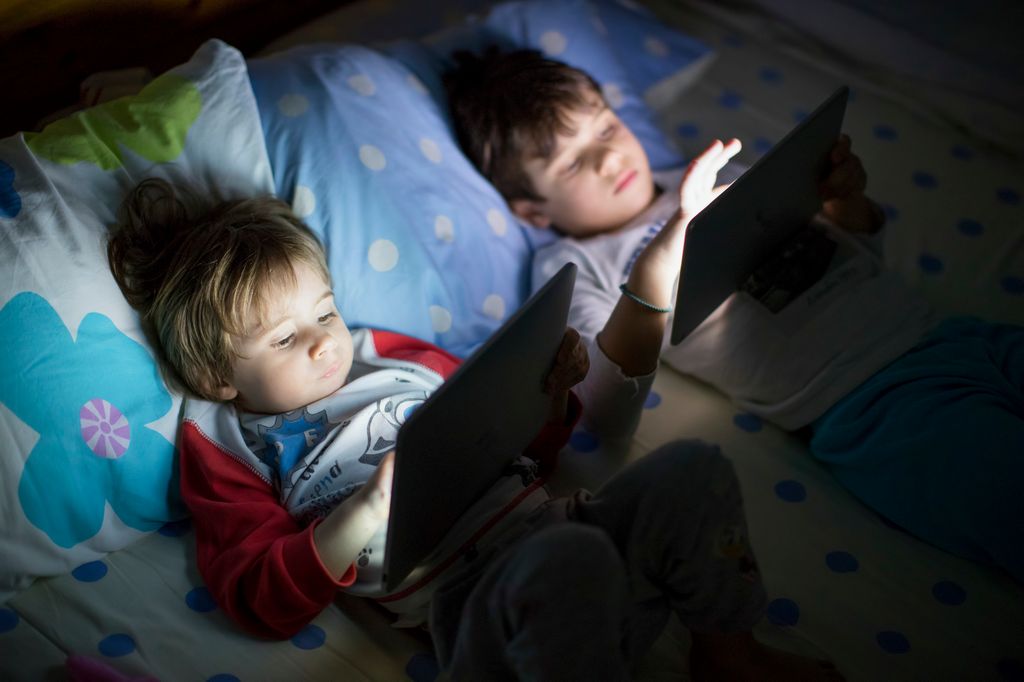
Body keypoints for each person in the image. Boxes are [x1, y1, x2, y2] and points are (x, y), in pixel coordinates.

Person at [107, 177, 845, 680]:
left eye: (324, 312)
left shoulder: (388, 355)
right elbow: (255, 596)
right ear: (217, 378)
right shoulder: (224, 445)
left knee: (692, 467)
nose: (324, 341)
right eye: (283, 339)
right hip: (481, 609)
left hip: (566, 530)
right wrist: (365, 511)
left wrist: (551, 399)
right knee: (567, 565)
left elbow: (514, 438)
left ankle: (726, 652)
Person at [445, 48, 1024, 582]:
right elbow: (606, 411)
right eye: (572, 164)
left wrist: (847, 203)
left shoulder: (704, 176)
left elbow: (853, 261)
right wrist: (669, 247)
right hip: (876, 406)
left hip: (955, 335)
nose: (609, 156)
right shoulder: (576, 265)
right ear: (532, 211)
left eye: (607, 127)